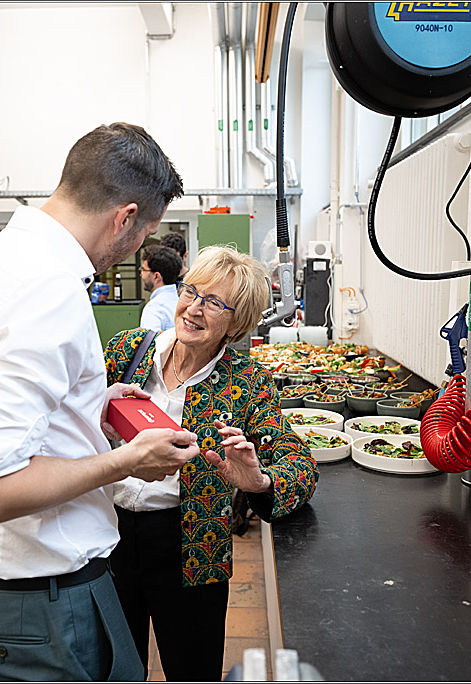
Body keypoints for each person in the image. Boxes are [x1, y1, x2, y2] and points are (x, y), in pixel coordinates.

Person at [0, 122, 201, 681]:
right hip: (39, 599)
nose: (136, 249)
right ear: (124, 217)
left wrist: (88, 405)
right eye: (144, 232)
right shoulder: (47, 290)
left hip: (1, 583)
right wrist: (128, 461)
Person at [103, 245, 319, 681]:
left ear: (236, 323)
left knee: (193, 669)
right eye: (192, 292)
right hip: (106, 537)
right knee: (112, 666)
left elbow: (301, 465)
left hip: (191, 547)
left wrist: (258, 481)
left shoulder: (246, 380)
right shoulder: (126, 352)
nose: (194, 308)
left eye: (215, 302)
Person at [138, 245, 182, 333]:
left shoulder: (154, 308)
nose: (141, 274)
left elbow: (149, 345)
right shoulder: (183, 301)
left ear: (157, 276)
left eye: (143, 270)